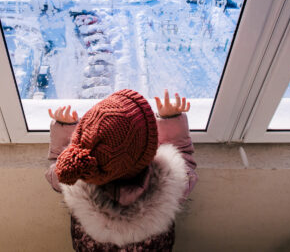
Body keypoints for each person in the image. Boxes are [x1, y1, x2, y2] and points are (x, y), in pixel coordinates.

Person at [46, 88, 198, 251]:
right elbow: (183, 158)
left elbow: (60, 167)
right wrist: (171, 121)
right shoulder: (170, 184)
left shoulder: (77, 175)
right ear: (146, 149)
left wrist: (65, 129)